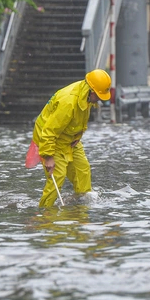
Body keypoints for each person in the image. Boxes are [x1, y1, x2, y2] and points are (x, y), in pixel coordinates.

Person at [32, 69, 112, 207]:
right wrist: (48, 156)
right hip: (50, 140)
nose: (100, 99)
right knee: (57, 176)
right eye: (99, 95)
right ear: (92, 91)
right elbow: (49, 130)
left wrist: (78, 135)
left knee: (83, 169)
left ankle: (81, 210)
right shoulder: (68, 102)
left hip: (69, 138)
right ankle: (45, 214)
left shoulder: (86, 95)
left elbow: (79, 119)